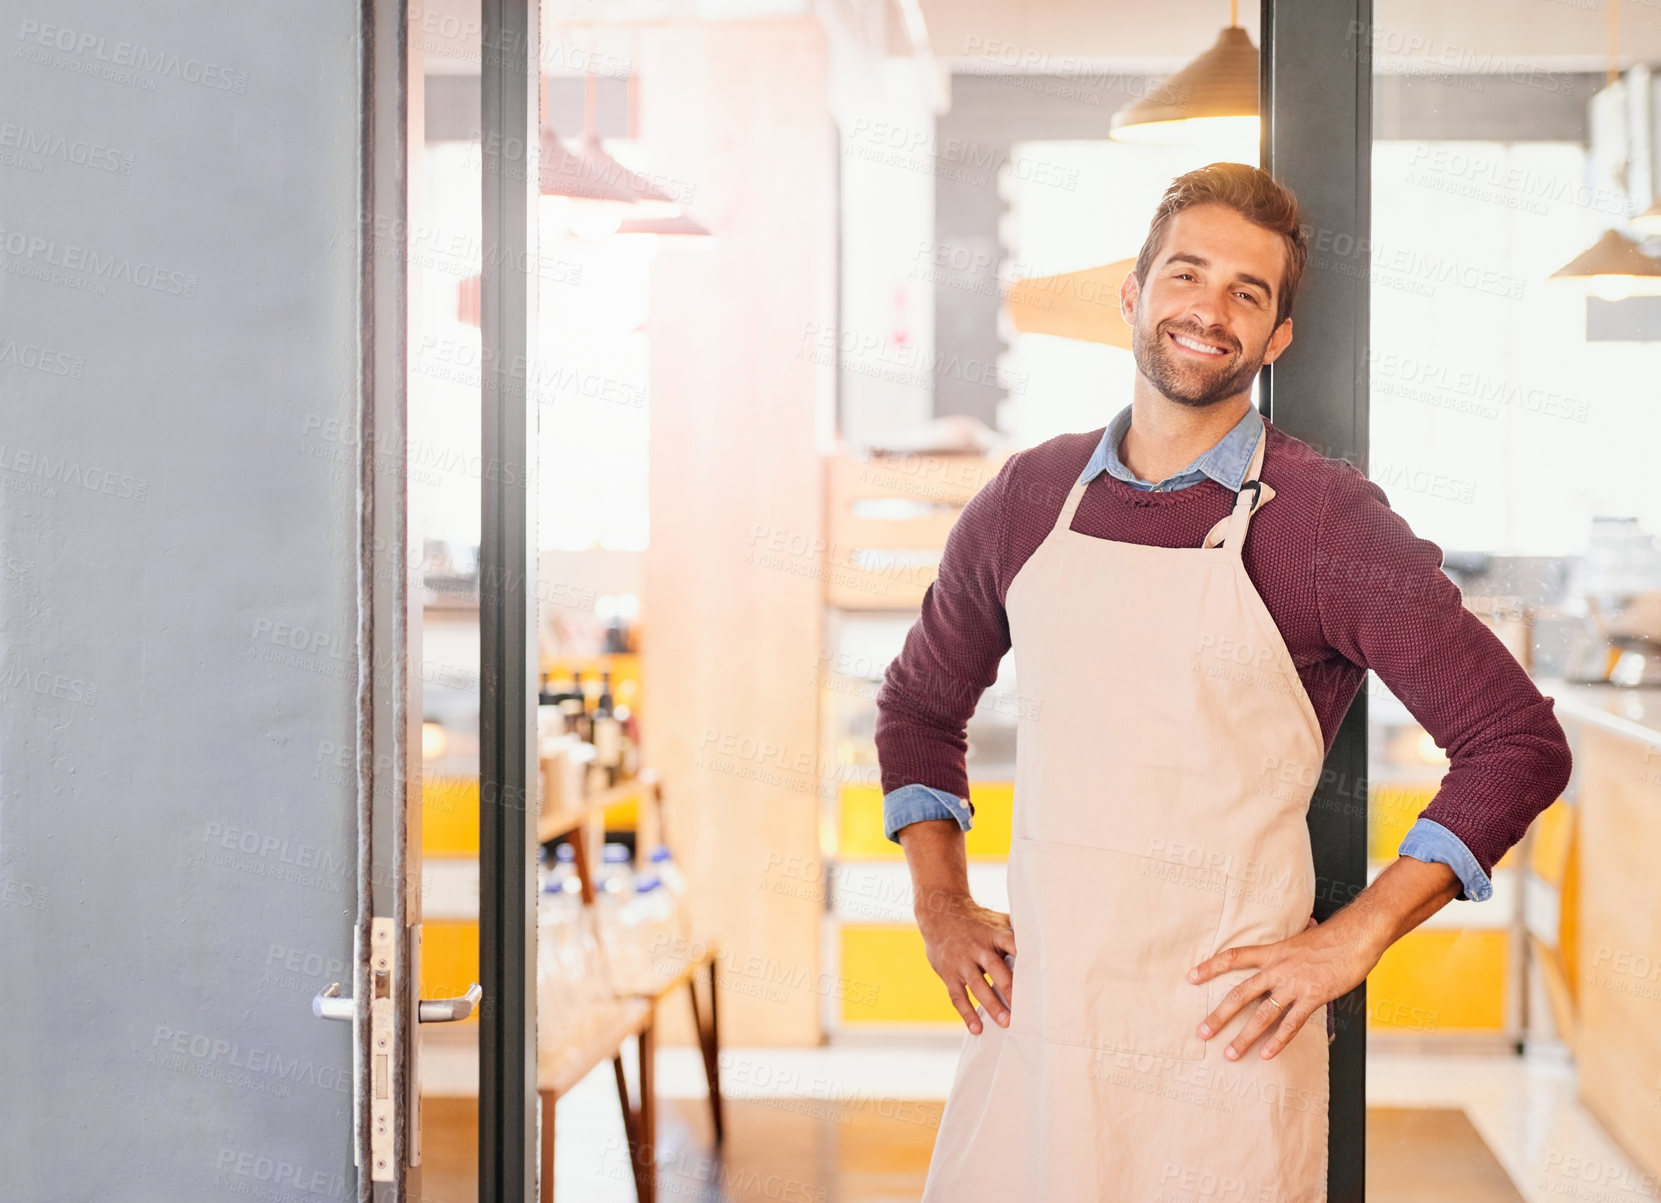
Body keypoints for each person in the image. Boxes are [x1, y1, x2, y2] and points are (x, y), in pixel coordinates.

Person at [874, 162, 1573, 1201]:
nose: (1209, 310)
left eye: (1246, 294)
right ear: (1133, 292)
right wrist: (940, 901)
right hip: (1042, 1031)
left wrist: (1354, 938)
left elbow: (1514, 743)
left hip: (1223, 1053)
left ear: (1275, 337)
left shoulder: (1324, 522)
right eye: (1185, 276)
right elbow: (919, 708)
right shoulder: (1026, 497)